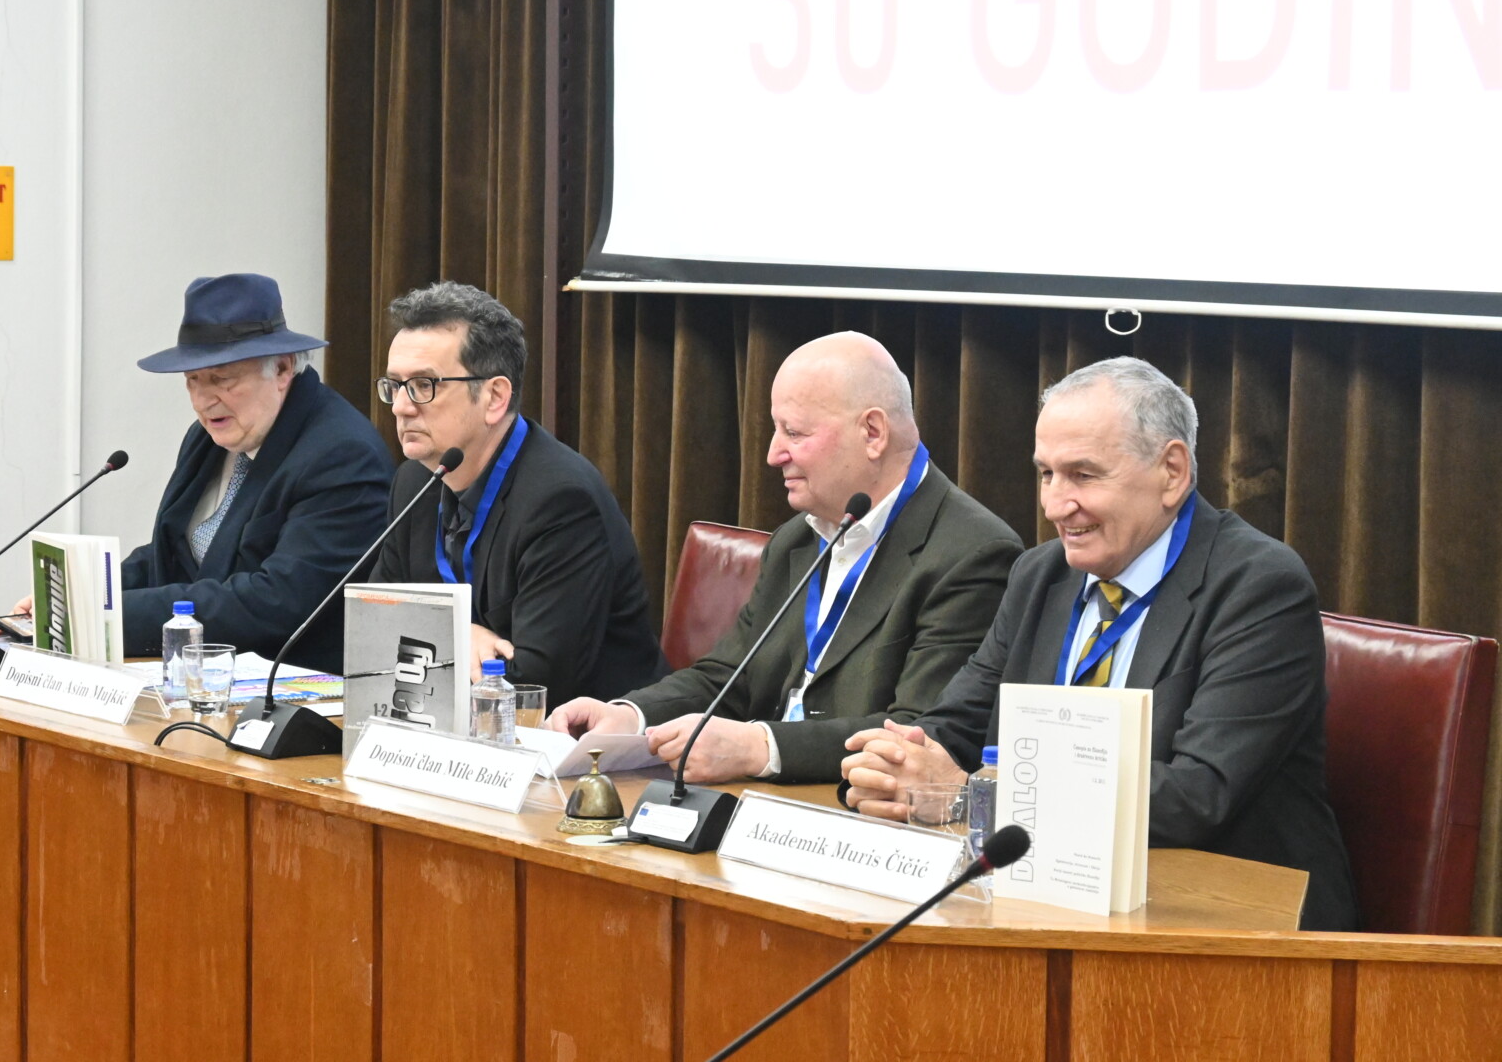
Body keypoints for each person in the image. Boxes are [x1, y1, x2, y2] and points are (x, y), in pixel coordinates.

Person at [837, 357, 1355, 930]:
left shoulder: (1259, 585)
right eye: (1047, 474)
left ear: (1172, 472)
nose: (1056, 505)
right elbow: (957, 724)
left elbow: (1198, 796)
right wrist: (900, 764)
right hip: (1052, 893)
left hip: (1230, 919)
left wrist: (971, 797)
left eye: (1083, 475)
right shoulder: (1040, 576)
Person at [546, 332, 1022, 783]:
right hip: (761, 804)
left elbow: (917, 735)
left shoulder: (972, 553)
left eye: (794, 432)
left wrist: (761, 747)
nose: (773, 454)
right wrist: (629, 716)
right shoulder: (797, 539)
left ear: (873, 432)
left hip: (853, 810)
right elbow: (728, 677)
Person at [16, 273, 392, 674]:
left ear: (282, 369)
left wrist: (104, 617)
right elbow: (177, 554)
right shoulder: (211, 436)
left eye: (222, 379)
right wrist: (78, 594)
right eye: (192, 380)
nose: (202, 400)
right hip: (202, 676)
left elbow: (277, 600)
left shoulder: (342, 455)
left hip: (292, 689)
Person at [368, 281, 665, 704]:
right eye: (395, 385)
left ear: (494, 397)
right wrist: (457, 634)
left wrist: (439, 638)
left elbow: (537, 681)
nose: (401, 406)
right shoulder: (415, 482)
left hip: (585, 734)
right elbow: (375, 623)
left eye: (424, 385)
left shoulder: (560, 500)